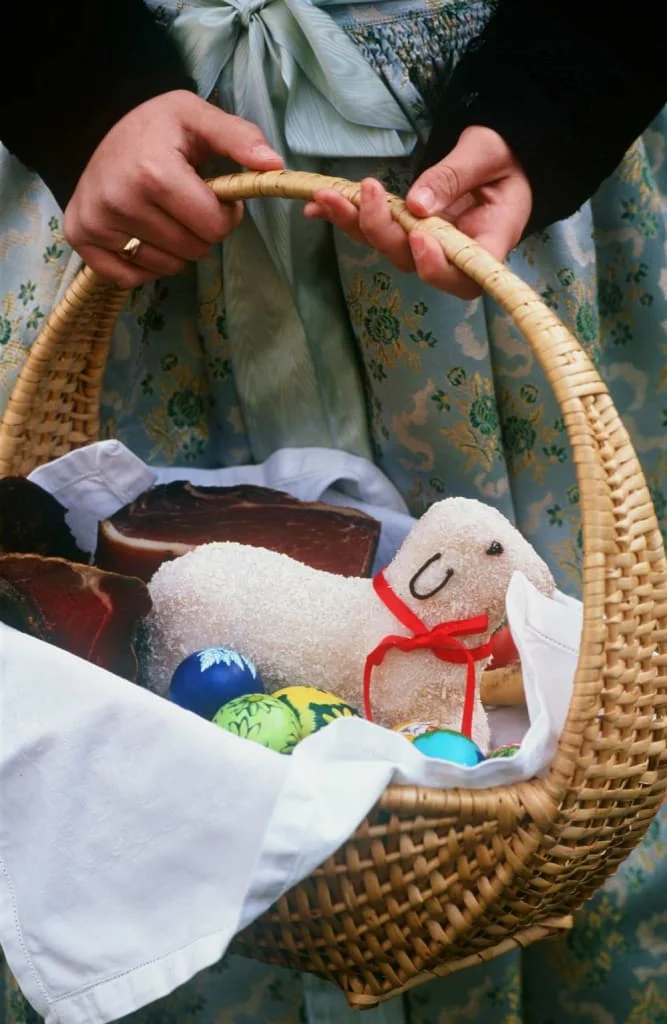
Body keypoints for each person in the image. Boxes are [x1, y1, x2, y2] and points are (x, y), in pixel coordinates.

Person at [1, 1, 665, 1022]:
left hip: (489, 187)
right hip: (129, 192)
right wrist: (79, 88)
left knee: (577, 737)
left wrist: (552, 102)